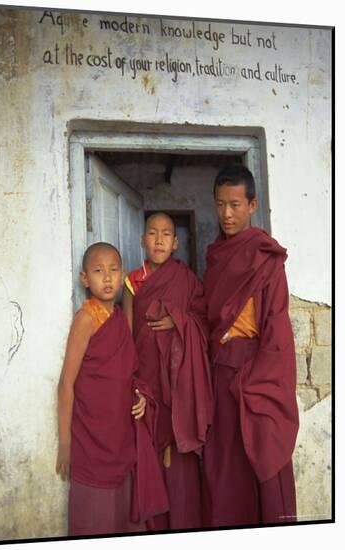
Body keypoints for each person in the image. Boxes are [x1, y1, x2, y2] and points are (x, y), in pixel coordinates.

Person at [202, 164, 299, 527]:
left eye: (236, 205)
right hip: (219, 373)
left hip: (254, 372)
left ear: (253, 205)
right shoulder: (216, 256)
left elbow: (275, 325)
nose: (227, 214)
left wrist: (256, 379)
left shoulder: (266, 258)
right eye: (220, 204)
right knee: (224, 464)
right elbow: (208, 314)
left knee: (261, 451)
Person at [56, 242, 168, 536]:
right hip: (92, 437)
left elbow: (128, 372)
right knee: (95, 516)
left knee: (122, 511)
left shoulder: (120, 318)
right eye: (98, 271)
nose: (107, 278)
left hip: (120, 432)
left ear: (122, 277)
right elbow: (67, 382)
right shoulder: (86, 319)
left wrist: (140, 395)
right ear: (84, 279)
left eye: (114, 270)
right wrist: (65, 443)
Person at [122, 213, 213, 530]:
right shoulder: (132, 282)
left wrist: (180, 321)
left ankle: (186, 525)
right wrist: (133, 383)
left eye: (165, 234)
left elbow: (204, 322)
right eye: (152, 233)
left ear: (175, 243)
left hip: (180, 380)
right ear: (142, 240)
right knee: (150, 447)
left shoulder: (186, 279)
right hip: (147, 381)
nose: (158, 240)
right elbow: (128, 336)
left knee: (180, 449)